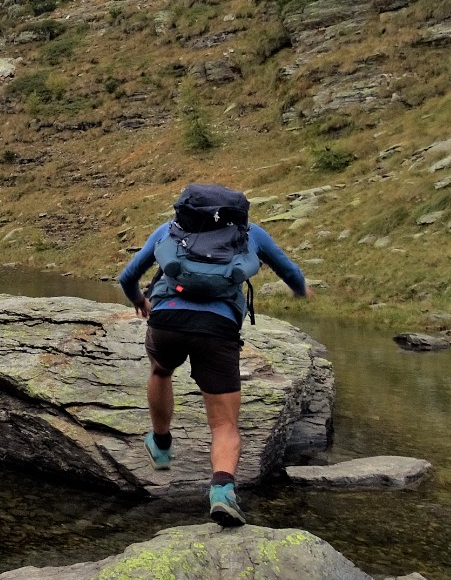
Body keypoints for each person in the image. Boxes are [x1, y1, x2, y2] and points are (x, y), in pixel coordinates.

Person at [117, 184, 311, 526]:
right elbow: (290, 272)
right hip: (218, 328)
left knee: (161, 371)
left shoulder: (170, 230)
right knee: (224, 424)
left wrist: (139, 301)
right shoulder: (251, 234)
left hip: (167, 321)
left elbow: (128, 277)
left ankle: (161, 443)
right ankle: (222, 492)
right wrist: (301, 290)